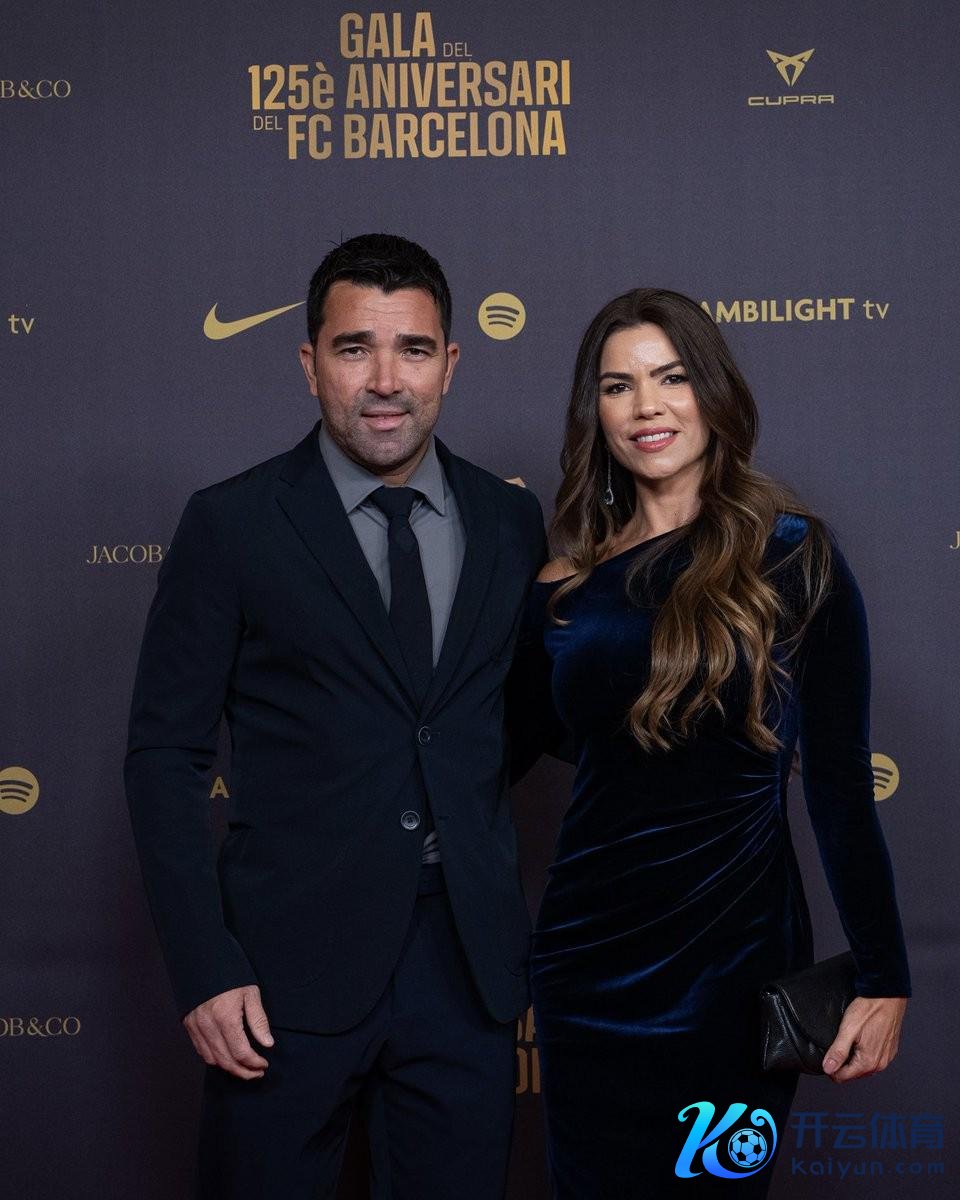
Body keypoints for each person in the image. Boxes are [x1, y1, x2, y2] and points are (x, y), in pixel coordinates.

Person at [124, 233, 547, 1199]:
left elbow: (504, 725)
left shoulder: (511, 520)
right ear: (309, 362)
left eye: (414, 349)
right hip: (281, 969)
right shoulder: (231, 523)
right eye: (356, 348)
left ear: (451, 363)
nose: (386, 381)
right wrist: (204, 963)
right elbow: (163, 756)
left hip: (467, 968)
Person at [507, 288, 911, 1197]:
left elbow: (840, 785)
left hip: (732, 969)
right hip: (585, 965)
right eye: (618, 386)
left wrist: (886, 978)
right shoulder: (564, 586)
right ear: (595, 412)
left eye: (672, 377)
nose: (646, 406)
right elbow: (510, 747)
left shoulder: (794, 554)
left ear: (714, 391)